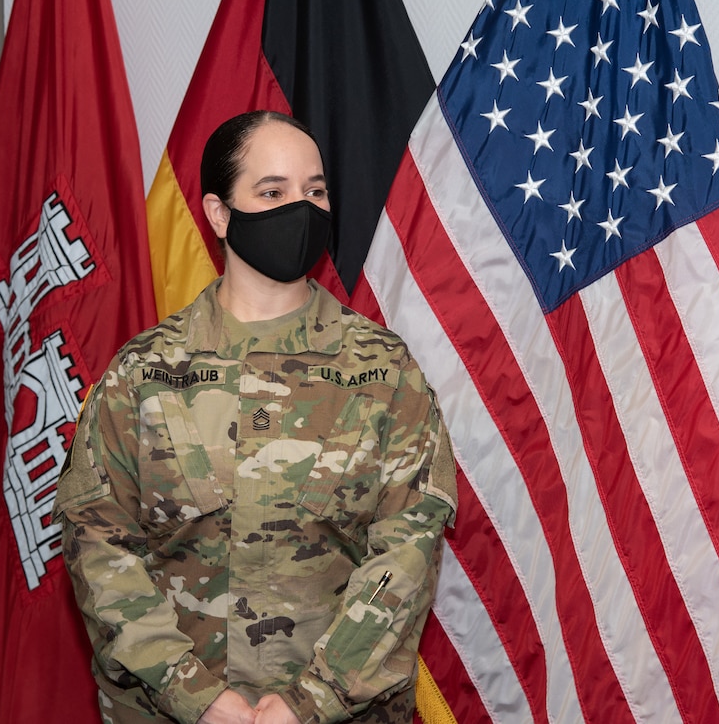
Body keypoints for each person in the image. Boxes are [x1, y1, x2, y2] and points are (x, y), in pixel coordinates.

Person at [55, 110, 457, 724]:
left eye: (315, 191)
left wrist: (310, 702)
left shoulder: (383, 371)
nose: (302, 207)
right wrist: (197, 695)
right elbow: (98, 545)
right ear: (220, 214)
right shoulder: (143, 374)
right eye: (272, 192)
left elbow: (406, 553)